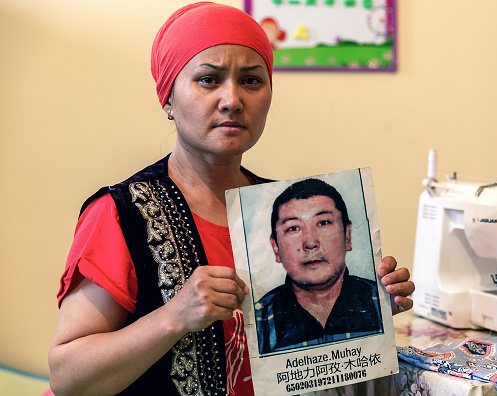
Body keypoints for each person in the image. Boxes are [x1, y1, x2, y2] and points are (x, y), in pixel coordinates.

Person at [48, 2, 415, 396]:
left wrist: (365, 312)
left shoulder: (277, 208)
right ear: (168, 99)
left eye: (252, 81)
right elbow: (68, 377)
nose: (232, 99)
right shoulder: (121, 214)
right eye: (208, 79)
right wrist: (175, 316)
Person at [255, 178, 382, 354]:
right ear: (275, 247)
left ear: (347, 235)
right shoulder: (257, 321)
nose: (310, 242)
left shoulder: (380, 302)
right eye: (293, 228)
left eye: (323, 223)